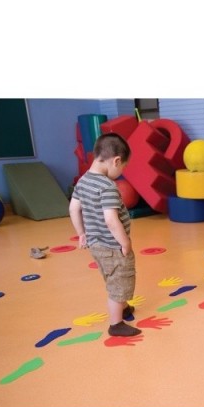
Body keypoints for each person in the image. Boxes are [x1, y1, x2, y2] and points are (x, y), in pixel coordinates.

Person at [69, 133, 141, 337]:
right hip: (113, 246)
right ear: (116, 161)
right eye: (123, 167)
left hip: (96, 245)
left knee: (112, 277)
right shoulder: (107, 186)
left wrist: (81, 233)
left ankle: (123, 308)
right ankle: (116, 324)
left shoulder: (83, 181)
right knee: (120, 279)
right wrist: (125, 243)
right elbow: (111, 220)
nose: (121, 171)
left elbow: (73, 208)